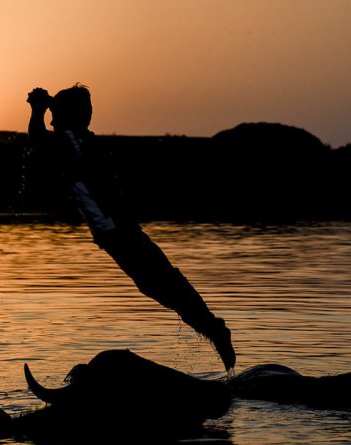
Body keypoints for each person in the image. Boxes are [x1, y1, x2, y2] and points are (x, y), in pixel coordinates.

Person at [26, 84, 236, 371]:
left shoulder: (72, 139)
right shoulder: (76, 138)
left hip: (116, 230)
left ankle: (215, 330)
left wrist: (39, 110)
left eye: (56, 116)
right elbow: (48, 139)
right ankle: (213, 329)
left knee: (161, 282)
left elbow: (40, 140)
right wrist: (46, 108)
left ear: (68, 116)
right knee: (160, 284)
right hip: (116, 230)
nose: (52, 121)